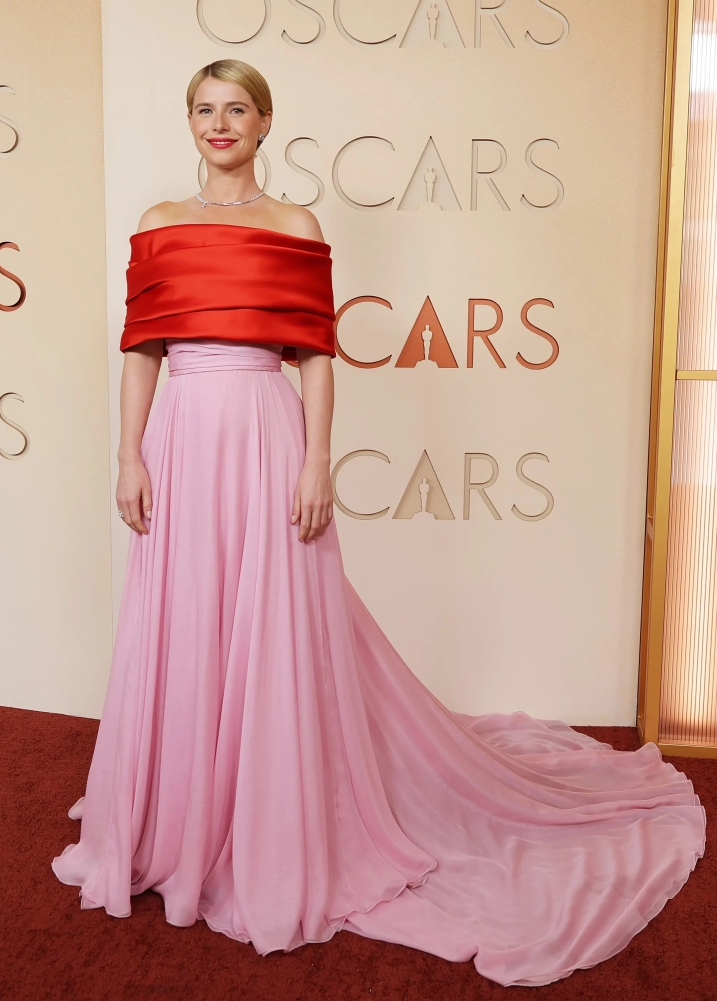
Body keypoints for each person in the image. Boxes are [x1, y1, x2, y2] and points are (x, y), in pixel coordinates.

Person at [51, 59, 706, 988]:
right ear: (189, 122)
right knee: (185, 619)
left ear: (265, 123)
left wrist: (316, 458)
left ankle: (269, 826)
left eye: (237, 109)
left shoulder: (296, 225)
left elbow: (316, 357)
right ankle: (178, 817)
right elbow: (141, 354)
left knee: (273, 624)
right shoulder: (158, 223)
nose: (219, 123)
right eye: (203, 109)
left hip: (267, 433)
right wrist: (128, 455)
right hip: (182, 439)